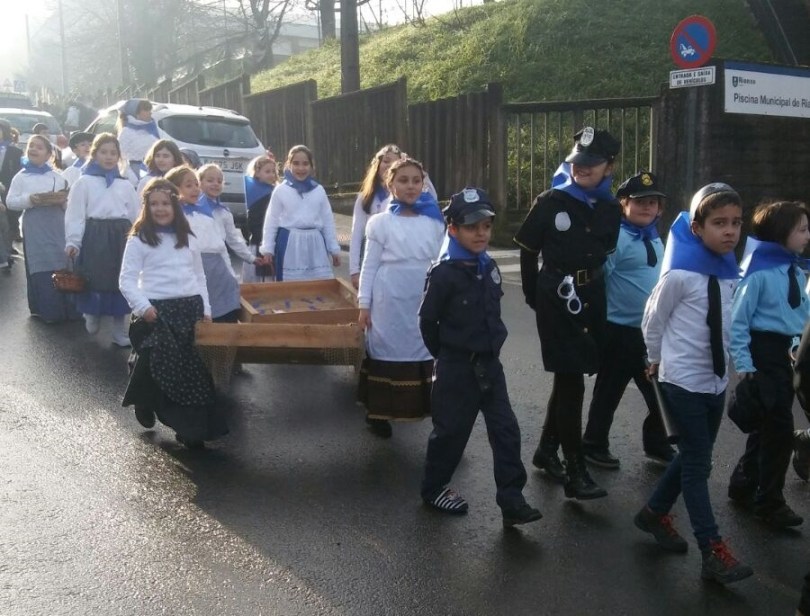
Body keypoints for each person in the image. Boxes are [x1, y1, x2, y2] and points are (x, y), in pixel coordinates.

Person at [636, 183, 753, 584]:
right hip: (682, 381)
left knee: (692, 456)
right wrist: (654, 359)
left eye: (736, 222)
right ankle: (712, 549)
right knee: (698, 465)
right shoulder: (680, 275)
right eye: (719, 223)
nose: (730, 231)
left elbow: (729, 326)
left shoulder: (729, 274)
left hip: (714, 382)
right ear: (697, 228)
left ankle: (653, 512)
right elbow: (653, 319)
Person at [418, 187, 542, 526]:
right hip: (457, 367)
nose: (481, 233)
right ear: (453, 229)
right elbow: (428, 322)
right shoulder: (444, 273)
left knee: (506, 431)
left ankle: (512, 499)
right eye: (472, 227)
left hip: (489, 364)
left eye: (486, 226)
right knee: (450, 433)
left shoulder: (487, 266)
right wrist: (447, 356)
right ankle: (434, 488)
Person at [513, 127, 621, 499]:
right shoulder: (551, 201)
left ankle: (546, 450)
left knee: (570, 376)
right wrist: (533, 295)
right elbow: (528, 249)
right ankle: (576, 470)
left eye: (592, 163)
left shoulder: (610, 207)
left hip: (592, 295)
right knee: (572, 380)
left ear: (609, 167)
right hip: (558, 296)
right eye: (578, 162)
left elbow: (604, 253)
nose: (582, 168)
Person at [119, 178, 227, 449]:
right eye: (154, 204)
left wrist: (206, 309)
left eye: (165, 203)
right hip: (156, 311)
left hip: (188, 309)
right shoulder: (139, 239)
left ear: (175, 206)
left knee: (190, 372)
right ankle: (147, 400)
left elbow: (199, 276)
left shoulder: (187, 237)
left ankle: (191, 429)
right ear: (146, 207)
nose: (160, 209)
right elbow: (127, 280)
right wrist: (144, 307)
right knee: (162, 362)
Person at [581, 171, 675, 468]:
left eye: (653, 203)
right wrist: (594, 324)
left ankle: (657, 442)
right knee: (609, 391)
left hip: (648, 332)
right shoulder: (618, 238)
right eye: (640, 202)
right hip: (618, 331)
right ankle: (593, 444)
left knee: (660, 392)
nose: (647, 207)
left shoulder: (656, 237)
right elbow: (600, 280)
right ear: (623, 204)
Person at [726, 201, 810, 527]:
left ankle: (743, 483)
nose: (807, 235)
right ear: (781, 233)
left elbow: (800, 316)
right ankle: (770, 502)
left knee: (766, 427)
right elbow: (738, 322)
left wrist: (798, 348)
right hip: (762, 355)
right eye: (802, 229)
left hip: (785, 356)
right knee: (780, 431)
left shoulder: (794, 270)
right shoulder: (758, 273)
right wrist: (745, 365)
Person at [357, 157, 445, 438]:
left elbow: (443, 264)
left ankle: (431, 411)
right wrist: (364, 304)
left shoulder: (434, 221)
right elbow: (369, 266)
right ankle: (379, 414)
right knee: (387, 348)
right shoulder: (380, 223)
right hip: (389, 299)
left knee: (423, 346)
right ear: (390, 184)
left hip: (422, 296)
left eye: (416, 181)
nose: (410, 186)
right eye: (403, 180)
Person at [65, 133, 140, 346]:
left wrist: (140, 238)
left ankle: (119, 329)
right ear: (95, 154)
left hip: (121, 236)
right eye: (103, 152)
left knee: (121, 281)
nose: (108, 157)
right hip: (95, 236)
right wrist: (73, 241)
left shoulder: (125, 184)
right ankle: (92, 313)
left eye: (113, 153)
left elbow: (135, 214)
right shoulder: (84, 182)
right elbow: (75, 214)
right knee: (95, 279)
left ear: (119, 156)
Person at [5, 135, 79, 320]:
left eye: (39, 147)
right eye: (31, 146)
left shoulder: (58, 177)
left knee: (62, 262)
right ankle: (47, 310)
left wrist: (62, 201)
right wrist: (30, 200)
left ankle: (69, 309)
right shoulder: (20, 177)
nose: (33, 149)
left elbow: (69, 204)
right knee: (41, 265)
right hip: (35, 227)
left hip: (57, 225)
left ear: (48, 154)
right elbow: (11, 202)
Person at [165, 165, 241, 323]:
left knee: (225, 318)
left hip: (218, 274)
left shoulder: (205, 214)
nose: (195, 189)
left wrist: (231, 274)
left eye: (196, 184)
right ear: (173, 189)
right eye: (188, 186)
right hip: (191, 275)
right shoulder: (172, 218)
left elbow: (221, 247)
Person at [260, 145, 341, 281]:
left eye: (305, 164)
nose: (301, 168)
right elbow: (271, 220)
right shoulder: (281, 190)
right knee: (291, 285)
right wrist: (268, 249)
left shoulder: (318, 190)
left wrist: (333, 248)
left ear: (311, 166)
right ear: (289, 164)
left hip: (315, 245)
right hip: (290, 244)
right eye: (296, 163)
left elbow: (327, 220)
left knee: (319, 284)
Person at [197, 163, 263, 281]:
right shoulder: (192, 209)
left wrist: (251, 258)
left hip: (219, 261)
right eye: (210, 180)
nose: (215, 184)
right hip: (197, 261)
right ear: (199, 183)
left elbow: (234, 239)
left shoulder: (224, 212)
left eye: (219, 181)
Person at [349, 144, 402, 288]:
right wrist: (354, 270)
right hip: (369, 258)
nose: (389, 165)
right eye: (386, 161)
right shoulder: (365, 198)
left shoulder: (404, 198)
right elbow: (356, 234)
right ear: (377, 164)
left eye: (395, 162)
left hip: (394, 260)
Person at [242, 154, 277, 283]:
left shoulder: (274, 191)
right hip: (259, 242)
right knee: (262, 278)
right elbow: (254, 220)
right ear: (257, 173)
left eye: (273, 171)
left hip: (270, 241)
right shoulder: (257, 192)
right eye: (267, 172)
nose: (271, 175)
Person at [116, 98, 159, 179]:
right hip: (133, 175)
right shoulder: (126, 132)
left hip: (153, 172)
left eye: (150, 109)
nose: (150, 112)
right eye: (146, 109)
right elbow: (121, 157)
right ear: (136, 113)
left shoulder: (152, 129)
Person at [0, 119, 24, 251]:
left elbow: (19, 172)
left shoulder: (15, 151)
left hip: (8, 190)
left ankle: (7, 248)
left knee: (9, 220)